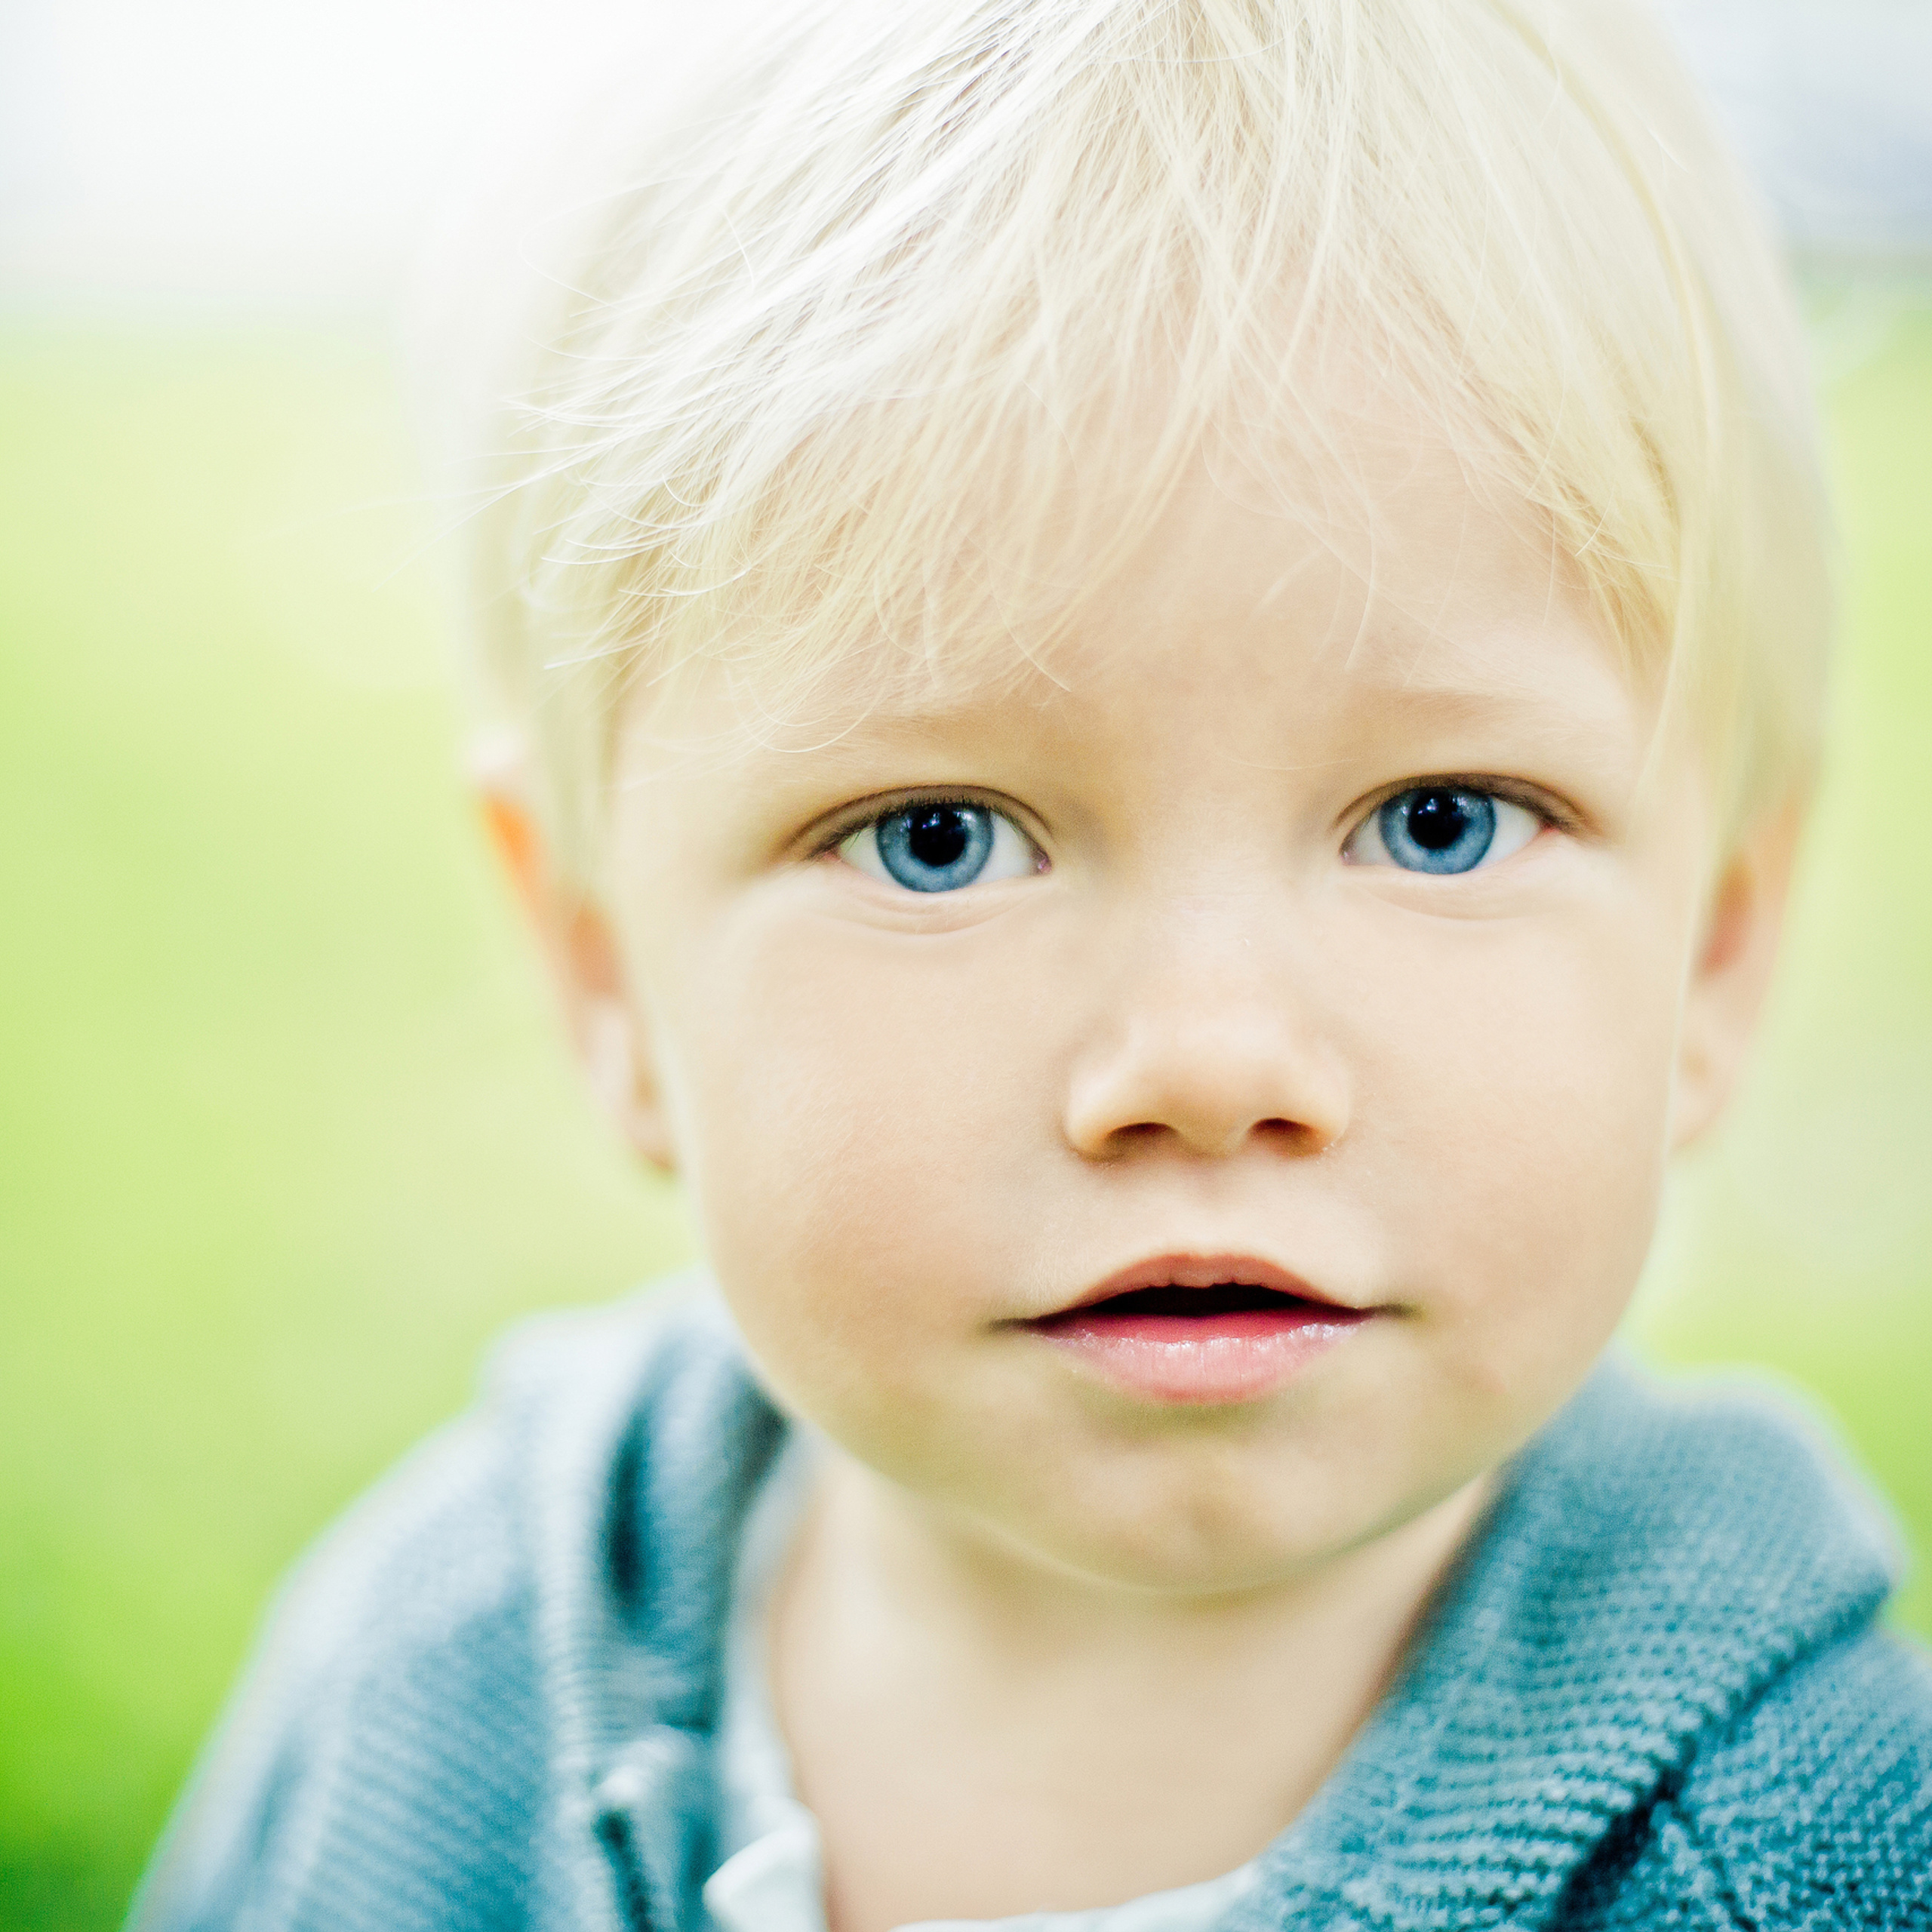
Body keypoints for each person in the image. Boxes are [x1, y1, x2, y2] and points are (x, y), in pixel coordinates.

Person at [129, 2, 1932, 1927]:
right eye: (940, 836)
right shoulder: (440, 1680)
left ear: (1714, 945)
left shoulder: (1818, 1854)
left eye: (1438, 818)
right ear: (600, 967)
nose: (1208, 1056)